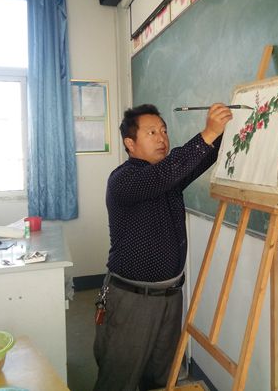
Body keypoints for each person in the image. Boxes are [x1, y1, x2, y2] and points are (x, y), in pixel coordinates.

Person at [93, 102, 233, 391]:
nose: (162, 138)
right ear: (130, 143)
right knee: (118, 380)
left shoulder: (167, 177)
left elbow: (195, 161)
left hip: (170, 297)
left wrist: (224, 135)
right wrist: (207, 132)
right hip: (133, 300)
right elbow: (162, 175)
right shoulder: (124, 179)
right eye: (152, 132)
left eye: (164, 131)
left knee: (160, 378)